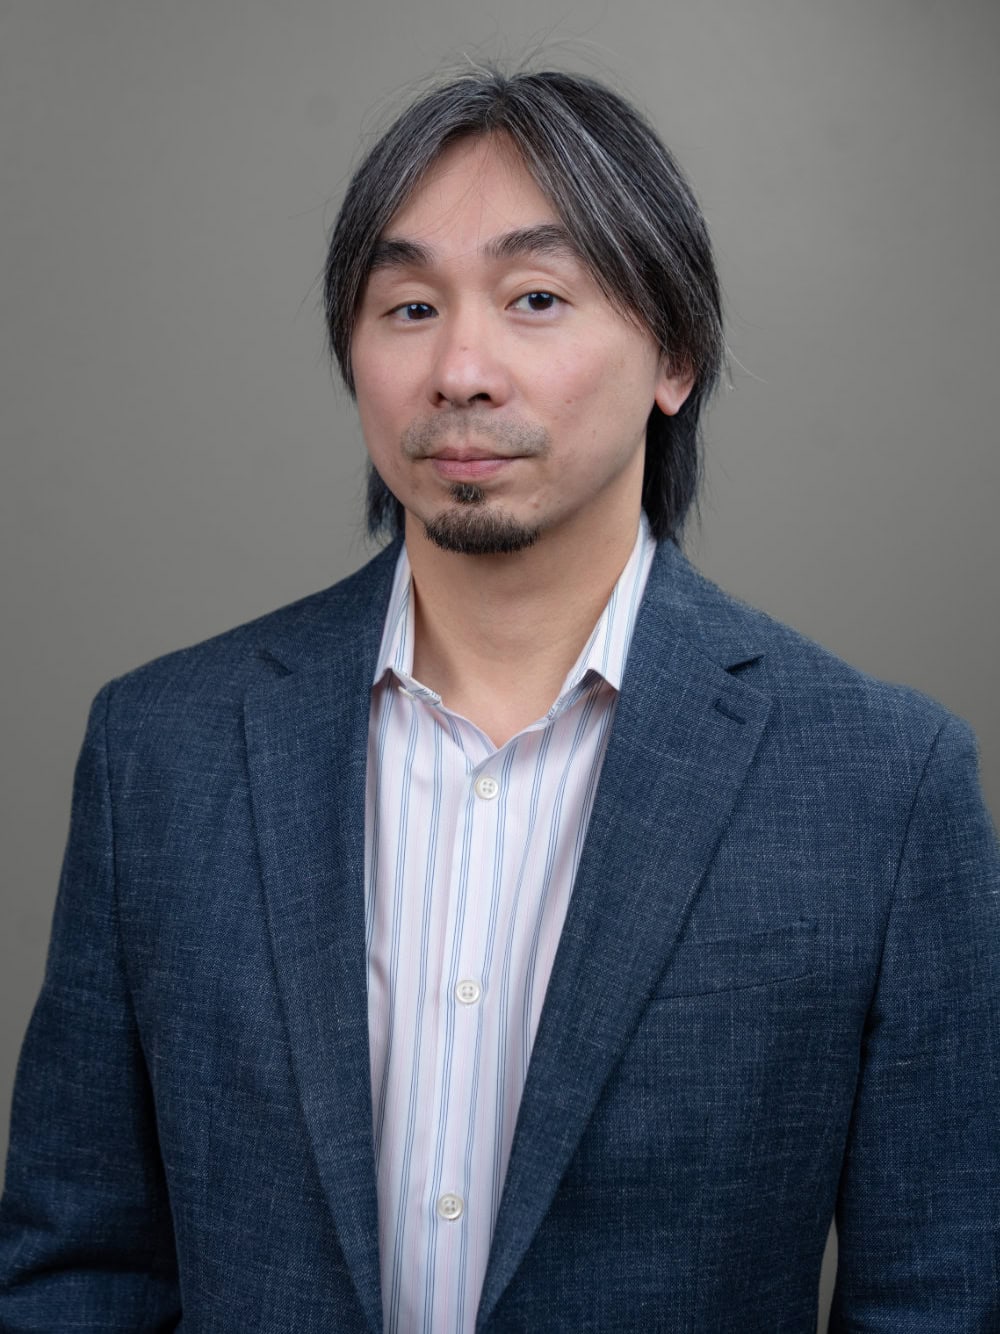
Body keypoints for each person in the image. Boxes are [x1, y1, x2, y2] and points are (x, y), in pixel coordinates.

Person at [0, 66, 997, 1334]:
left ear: (674, 356)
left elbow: (940, 1296)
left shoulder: (880, 783)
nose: (459, 368)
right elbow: (75, 1265)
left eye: (535, 298)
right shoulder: (163, 750)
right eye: (408, 305)